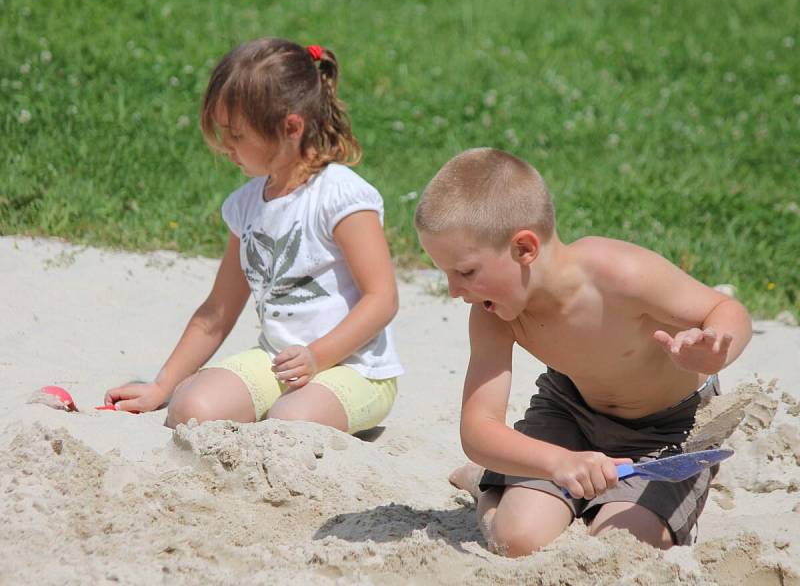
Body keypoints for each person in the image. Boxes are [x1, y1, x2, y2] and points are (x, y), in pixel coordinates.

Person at [414, 148, 751, 556]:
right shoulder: (492, 314)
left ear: (524, 248)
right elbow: (478, 428)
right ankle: (486, 483)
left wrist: (716, 351)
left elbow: (727, 310)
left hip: (669, 430)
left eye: (465, 272)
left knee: (623, 546)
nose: (453, 291)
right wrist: (558, 462)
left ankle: (566, 494)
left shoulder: (618, 274)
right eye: (445, 273)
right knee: (517, 541)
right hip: (569, 412)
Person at [105, 38, 403, 434]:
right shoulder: (245, 206)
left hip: (356, 368)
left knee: (289, 423)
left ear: (290, 128)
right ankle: (231, 393)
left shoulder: (341, 196)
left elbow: (382, 299)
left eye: (237, 134)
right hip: (278, 359)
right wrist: (161, 386)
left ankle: (296, 405)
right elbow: (216, 314)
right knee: (190, 409)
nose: (227, 146)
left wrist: (317, 357)